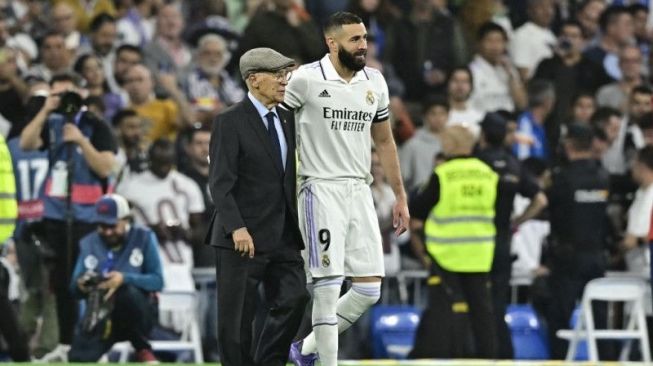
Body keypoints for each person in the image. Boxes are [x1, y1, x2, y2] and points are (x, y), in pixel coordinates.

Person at [284, 12, 410, 366]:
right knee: (326, 287)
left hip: (359, 190)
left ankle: (304, 350)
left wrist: (400, 195)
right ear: (332, 42)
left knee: (369, 289)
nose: (363, 45)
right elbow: (277, 128)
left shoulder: (375, 82)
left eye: (364, 38)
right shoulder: (305, 80)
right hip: (319, 188)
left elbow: (385, 143)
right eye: (354, 39)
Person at [206, 47, 309, 366]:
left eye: (285, 75)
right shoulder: (229, 121)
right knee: (237, 321)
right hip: (242, 236)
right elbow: (220, 182)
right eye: (277, 75)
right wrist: (237, 227)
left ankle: (268, 362)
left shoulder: (287, 117)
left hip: (282, 234)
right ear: (253, 80)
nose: (284, 82)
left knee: (296, 297)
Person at [19, 72, 117, 362]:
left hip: (89, 216)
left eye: (68, 95)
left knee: (89, 281)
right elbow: (26, 143)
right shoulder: (51, 124)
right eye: (57, 95)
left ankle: (91, 344)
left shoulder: (97, 125)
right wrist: (46, 110)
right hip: (56, 215)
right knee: (60, 283)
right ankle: (63, 343)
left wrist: (80, 141)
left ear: (82, 93)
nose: (64, 102)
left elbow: (105, 168)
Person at [408, 125, 498, 359]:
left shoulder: (444, 175)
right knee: (482, 312)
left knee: (444, 311)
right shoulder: (488, 173)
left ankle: (446, 358)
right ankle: (489, 359)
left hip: (446, 254)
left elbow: (416, 208)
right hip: (480, 253)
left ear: (450, 145)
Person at [476, 113, 548, 359]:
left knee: (474, 302)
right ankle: (504, 356)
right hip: (501, 240)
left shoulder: (474, 163)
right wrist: (517, 222)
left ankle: (478, 355)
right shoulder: (514, 164)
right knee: (497, 303)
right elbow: (540, 200)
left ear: (483, 135)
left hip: (475, 243)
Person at [68, 194, 163, 363]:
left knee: (124, 291)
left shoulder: (144, 238)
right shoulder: (88, 243)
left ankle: (141, 347)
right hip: (101, 314)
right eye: (102, 226)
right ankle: (139, 347)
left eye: (112, 225)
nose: (107, 231)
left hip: (139, 313)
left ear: (126, 220)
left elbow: (158, 281)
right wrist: (82, 285)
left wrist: (124, 279)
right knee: (78, 358)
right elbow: (73, 289)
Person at [543, 123, 611, 359]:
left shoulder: (563, 179)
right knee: (600, 316)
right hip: (596, 256)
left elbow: (546, 205)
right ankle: (607, 361)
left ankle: (560, 361)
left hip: (567, 258)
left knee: (560, 317)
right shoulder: (603, 177)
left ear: (568, 144)